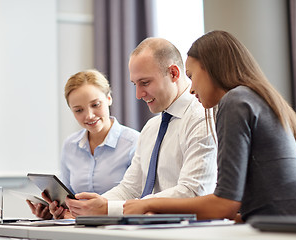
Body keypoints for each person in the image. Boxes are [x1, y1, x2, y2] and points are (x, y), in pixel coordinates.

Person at [123, 30, 296, 222]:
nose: (192, 87)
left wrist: (148, 203)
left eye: (192, 75)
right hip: (288, 222)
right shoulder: (254, 98)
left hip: (280, 228)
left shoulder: (235, 101)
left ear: (211, 69)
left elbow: (224, 204)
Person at [49, 37, 218, 219]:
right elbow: (130, 188)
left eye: (145, 83)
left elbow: (193, 191)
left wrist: (109, 209)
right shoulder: (151, 128)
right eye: (135, 84)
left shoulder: (202, 118)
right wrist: (91, 208)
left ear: (174, 74)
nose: (138, 94)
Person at [27, 69, 140, 219]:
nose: (89, 115)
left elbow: (142, 199)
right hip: (79, 229)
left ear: (109, 99)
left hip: (120, 227)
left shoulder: (135, 142)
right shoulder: (70, 145)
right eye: (79, 110)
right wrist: (56, 212)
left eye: (95, 105)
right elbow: (67, 199)